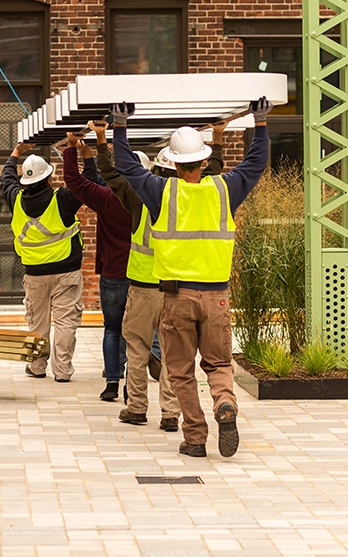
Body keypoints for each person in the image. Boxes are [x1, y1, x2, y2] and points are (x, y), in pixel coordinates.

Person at [109, 97, 273, 458]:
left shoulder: (160, 192)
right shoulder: (224, 190)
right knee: (218, 364)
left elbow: (125, 166)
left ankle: (195, 437)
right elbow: (256, 163)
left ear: (172, 161)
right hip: (217, 298)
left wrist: (120, 126)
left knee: (180, 371)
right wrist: (259, 124)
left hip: (176, 297)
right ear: (202, 161)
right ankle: (225, 404)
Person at [89, 119, 228, 432]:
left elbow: (112, 174)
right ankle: (170, 413)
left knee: (137, 350)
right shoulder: (198, 196)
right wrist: (217, 138)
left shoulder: (142, 196)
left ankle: (136, 408)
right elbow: (214, 172)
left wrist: (101, 139)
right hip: (173, 289)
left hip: (140, 289)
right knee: (171, 354)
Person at [2, 143, 85, 382]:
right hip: (66, 272)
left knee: (37, 323)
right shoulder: (63, 200)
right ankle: (63, 371)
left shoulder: (15, 199)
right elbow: (86, 181)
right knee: (65, 322)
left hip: (35, 275)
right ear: (49, 178)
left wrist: (16, 151)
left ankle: (37, 367)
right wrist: (78, 151)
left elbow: (6, 178)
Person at [61, 131, 131, 401]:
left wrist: (71, 147)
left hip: (113, 274)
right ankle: (132, 385)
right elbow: (102, 177)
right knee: (137, 333)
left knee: (112, 328)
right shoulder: (151, 197)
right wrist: (90, 152)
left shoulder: (107, 199)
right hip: (141, 275)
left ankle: (112, 382)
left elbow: (75, 181)